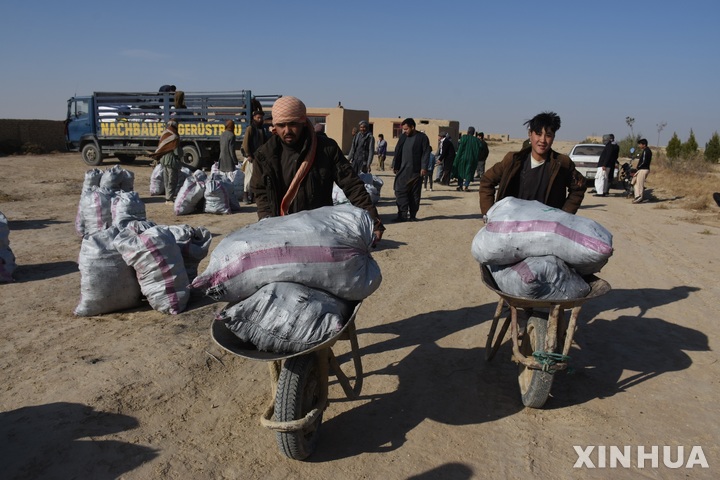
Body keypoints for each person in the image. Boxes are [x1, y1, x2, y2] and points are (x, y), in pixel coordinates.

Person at [250, 96, 384, 242]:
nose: (287, 130)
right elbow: (261, 192)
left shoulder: (326, 149)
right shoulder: (264, 155)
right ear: (275, 126)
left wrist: (373, 220)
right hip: (281, 232)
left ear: (303, 122)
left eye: (293, 124)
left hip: (319, 231)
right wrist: (266, 221)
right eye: (281, 125)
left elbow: (352, 185)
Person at [479, 111, 587, 217]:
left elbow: (579, 188)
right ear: (530, 134)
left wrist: (564, 215)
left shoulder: (562, 163)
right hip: (512, 226)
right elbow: (487, 181)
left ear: (553, 137)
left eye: (548, 135)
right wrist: (489, 214)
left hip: (545, 230)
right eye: (538, 134)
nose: (542, 140)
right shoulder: (513, 160)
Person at [392, 118, 431, 221]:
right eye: (403, 129)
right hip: (403, 171)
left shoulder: (422, 138)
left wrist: (424, 167)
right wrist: (395, 165)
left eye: (406, 129)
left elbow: (426, 152)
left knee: (414, 194)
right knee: (399, 191)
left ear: (412, 127)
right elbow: (397, 151)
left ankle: (413, 215)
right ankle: (402, 215)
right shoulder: (403, 137)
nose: (404, 131)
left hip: (416, 171)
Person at [242, 110, 271, 203]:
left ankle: (254, 196)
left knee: (257, 177)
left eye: (261, 118)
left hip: (259, 157)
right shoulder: (250, 128)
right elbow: (245, 143)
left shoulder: (262, 129)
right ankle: (245, 196)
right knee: (249, 177)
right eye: (258, 117)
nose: (260, 119)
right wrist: (248, 155)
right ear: (254, 118)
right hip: (251, 157)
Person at [150, 119, 182, 205]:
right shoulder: (175, 136)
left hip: (164, 160)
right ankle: (169, 199)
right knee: (172, 180)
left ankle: (168, 198)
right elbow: (177, 151)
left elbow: (161, 146)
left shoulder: (165, 133)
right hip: (171, 161)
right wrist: (181, 155)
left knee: (166, 180)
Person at [453, 127, 482, 192]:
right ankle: (466, 186)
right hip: (472, 159)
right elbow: (481, 147)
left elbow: (460, 147)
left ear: (468, 131)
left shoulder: (464, 137)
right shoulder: (476, 140)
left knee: (460, 171)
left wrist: (457, 157)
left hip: (463, 158)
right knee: (469, 172)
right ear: (474, 133)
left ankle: (460, 186)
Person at [632, 138, 652, 203]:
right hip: (642, 169)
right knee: (635, 182)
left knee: (640, 184)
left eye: (640, 144)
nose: (639, 146)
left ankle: (640, 197)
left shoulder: (646, 151)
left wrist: (638, 167)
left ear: (644, 144)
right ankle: (637, 196)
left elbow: (644, 161)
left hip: (643, 169)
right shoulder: (645, 150)